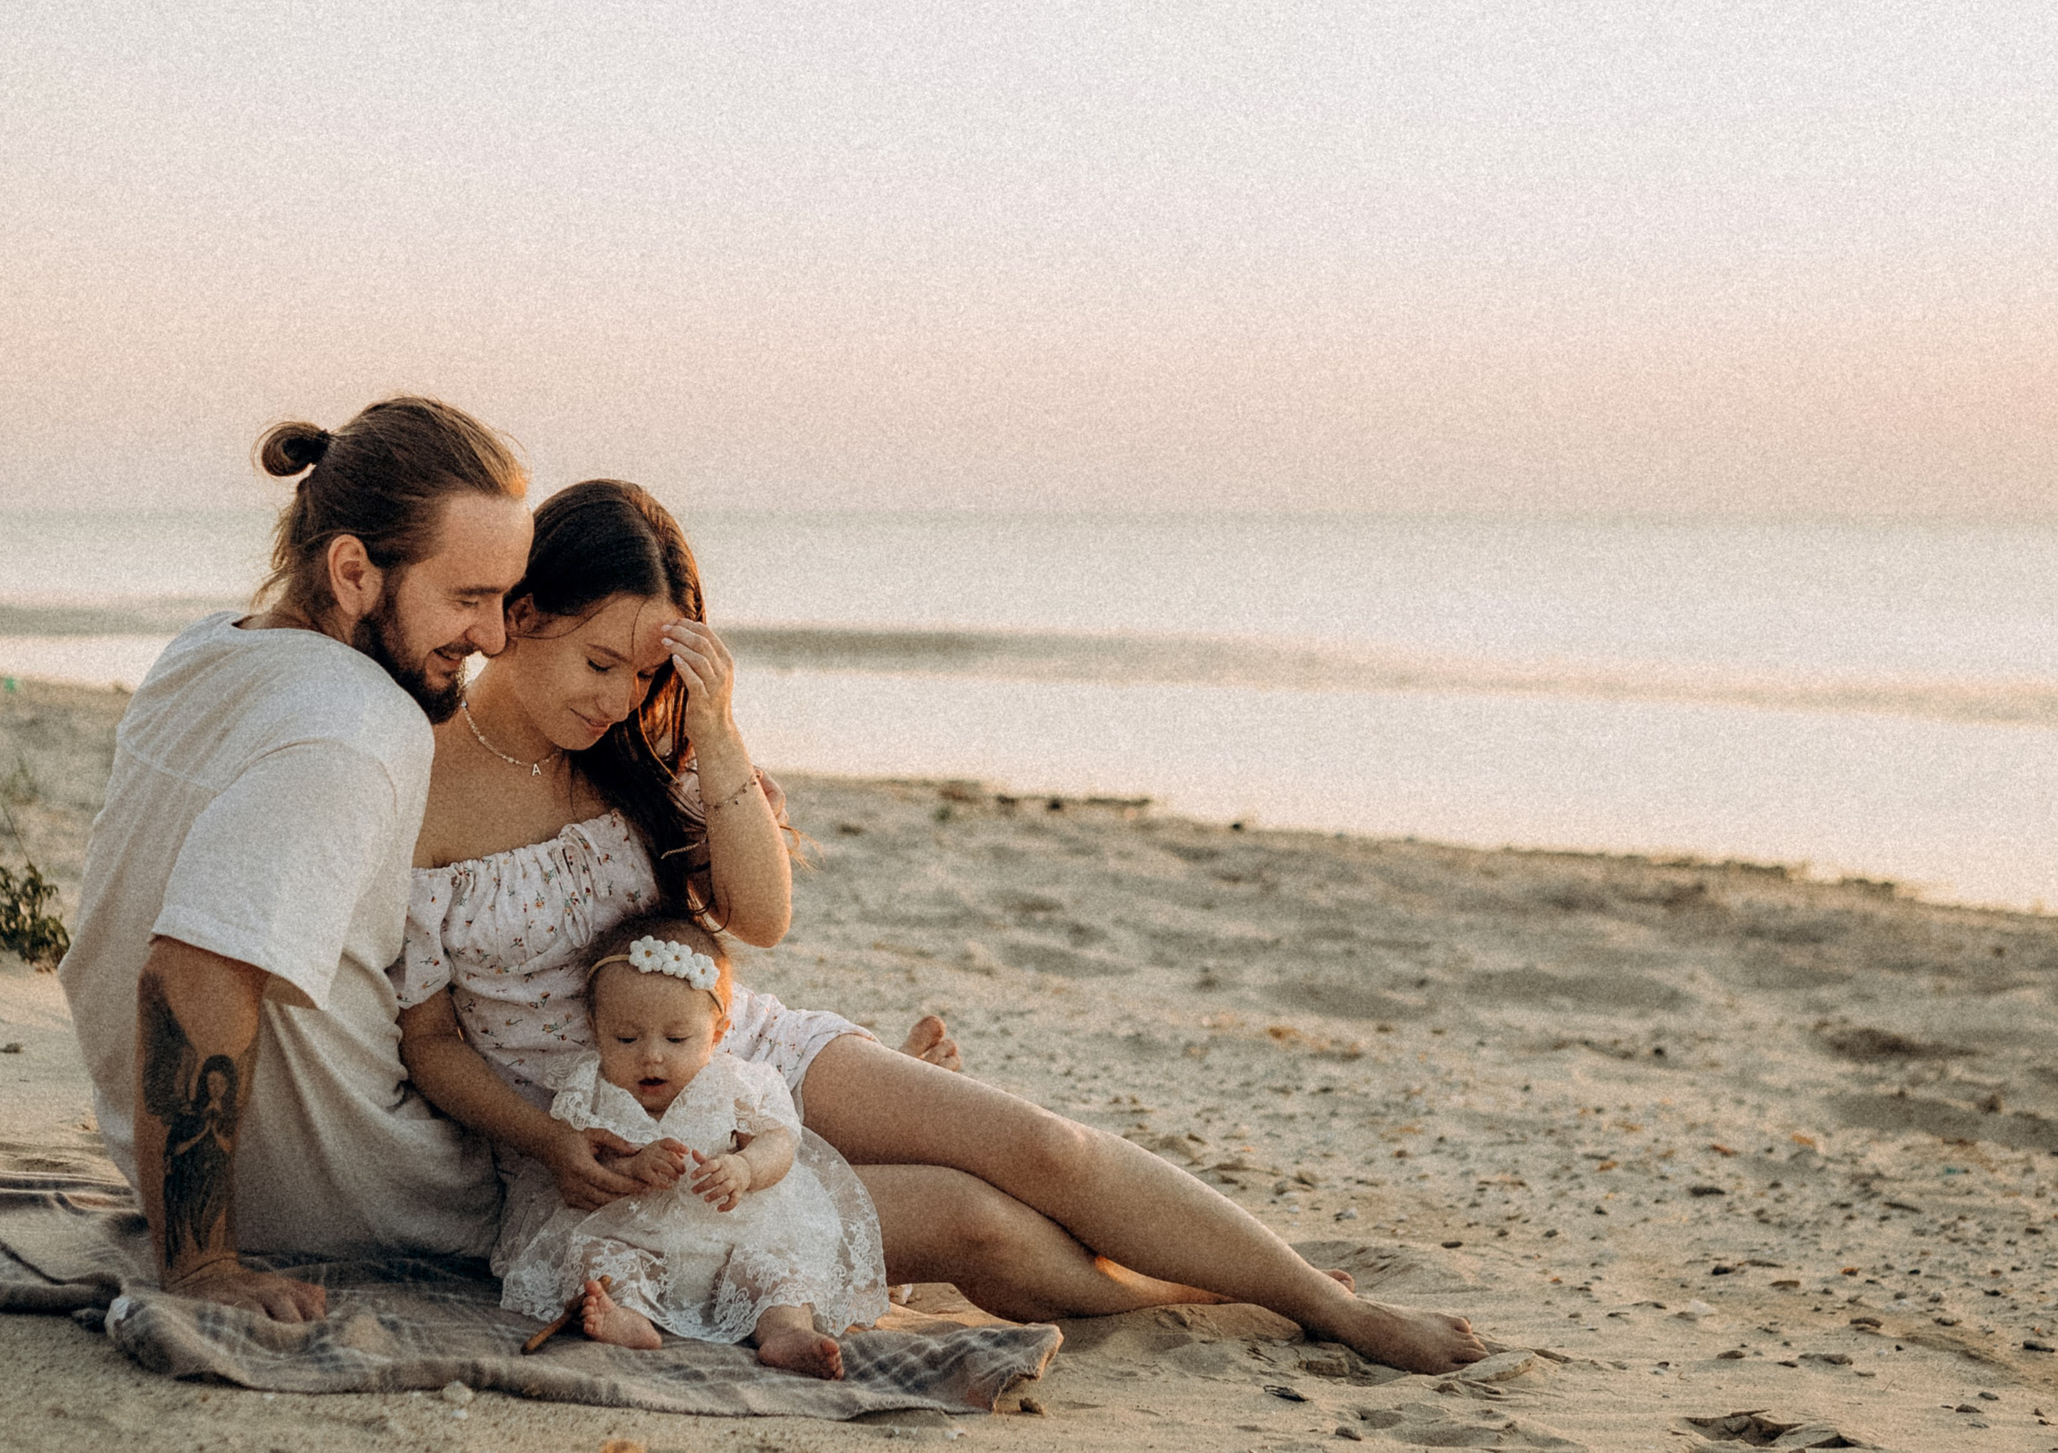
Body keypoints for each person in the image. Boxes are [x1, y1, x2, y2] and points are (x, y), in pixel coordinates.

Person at [395, 479, 1489, 1372]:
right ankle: (1184, 1291)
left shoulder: (632, 754)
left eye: (646, 675)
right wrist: (550, 1142)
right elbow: (432, 1040)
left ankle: (1326, 1304)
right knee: (976, 1221)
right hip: (611, 1145)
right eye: (601, 663)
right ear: (521, 617)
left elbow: (761, 920)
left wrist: (714, 731)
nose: (618, 699)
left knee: (1042, 1147)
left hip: (747, 1054)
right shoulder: (414, 784)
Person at [59, 396, 535, 1323]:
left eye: (504, 599)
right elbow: (191, 970)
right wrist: (200, 1265)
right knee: (740, 1156)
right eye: (467, 598)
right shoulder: (357, 726)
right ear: (354, 571)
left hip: (161, 1153)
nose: (494, 637)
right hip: (353, 1189)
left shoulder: (205, 648)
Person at [493, 915, 886, 1379]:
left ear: (716, 1033)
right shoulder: (591, 1088)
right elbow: (586, 1162)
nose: (652, 1055)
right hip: (633, 1235)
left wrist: (745, 1169)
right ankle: (625, 1315)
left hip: (732, 1239)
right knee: (596, 1258)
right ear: (596, 1029)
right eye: (626, 1038)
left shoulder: (734, 1083)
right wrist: (631, 1165)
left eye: (676, 1038)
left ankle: (785, 1331)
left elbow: (779, 1142)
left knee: (777, 1271)